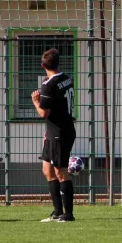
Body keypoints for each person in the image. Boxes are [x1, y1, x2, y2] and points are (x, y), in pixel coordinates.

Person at [32, 48, 77, 223]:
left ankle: (68, 214)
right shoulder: (66, 78)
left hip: (60, 132)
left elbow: (44, 113)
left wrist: (36, 102)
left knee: (61, 171)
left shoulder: (48, 85)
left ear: (43, 65)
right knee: (47, 170)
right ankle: (57, 211)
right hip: (55, 131)